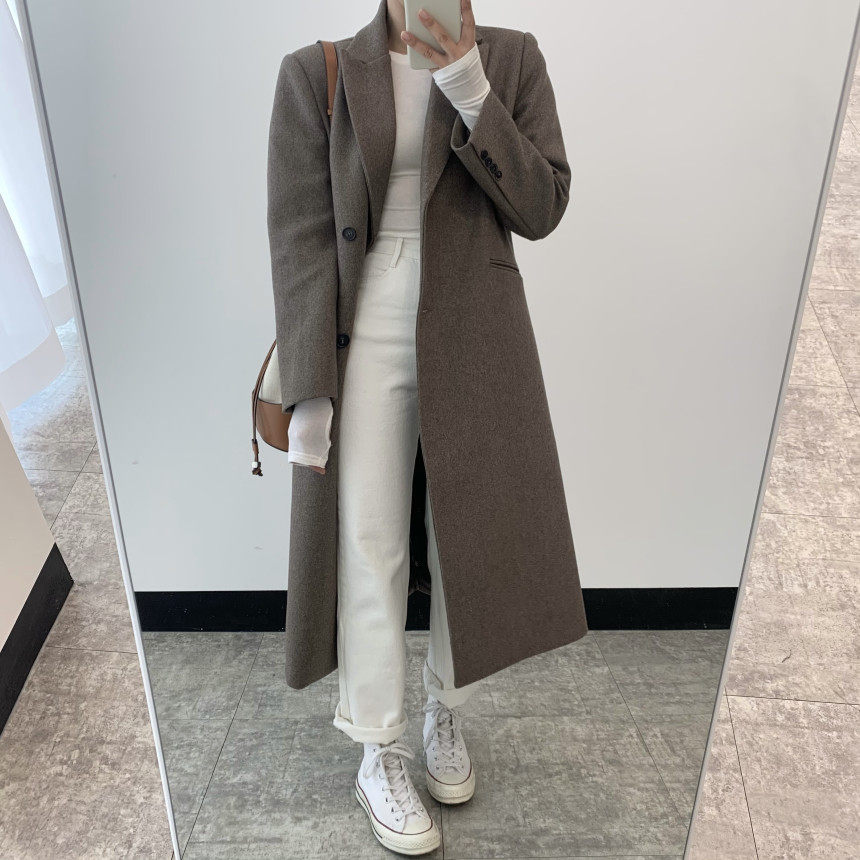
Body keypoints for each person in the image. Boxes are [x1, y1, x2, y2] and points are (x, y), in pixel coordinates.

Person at [267, 0, 587, 854]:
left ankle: (448, 709)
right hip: (363, 322)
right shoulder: (317, 71)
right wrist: (309, 387)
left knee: (465, 533)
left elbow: (544, 206)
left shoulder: (511, 59)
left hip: (475, 320)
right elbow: (299, 240)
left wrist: (470, 85)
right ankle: (377, 746)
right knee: (368, 535)